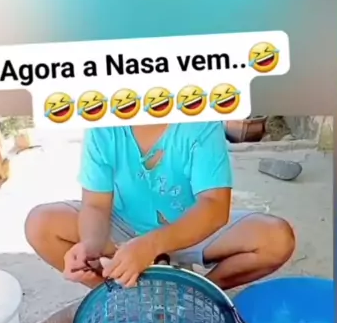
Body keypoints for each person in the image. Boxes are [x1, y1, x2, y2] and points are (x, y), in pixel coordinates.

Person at [25, 122, 295, 290]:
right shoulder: (102, 126)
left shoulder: (200, 122)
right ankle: (113, 294)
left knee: (276, 238)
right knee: (40, 224)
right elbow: (95, 205)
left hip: (190, 228)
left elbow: (214, 207)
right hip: (123, 230)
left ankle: (199, 292)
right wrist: (90, 246)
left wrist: (151, 246)